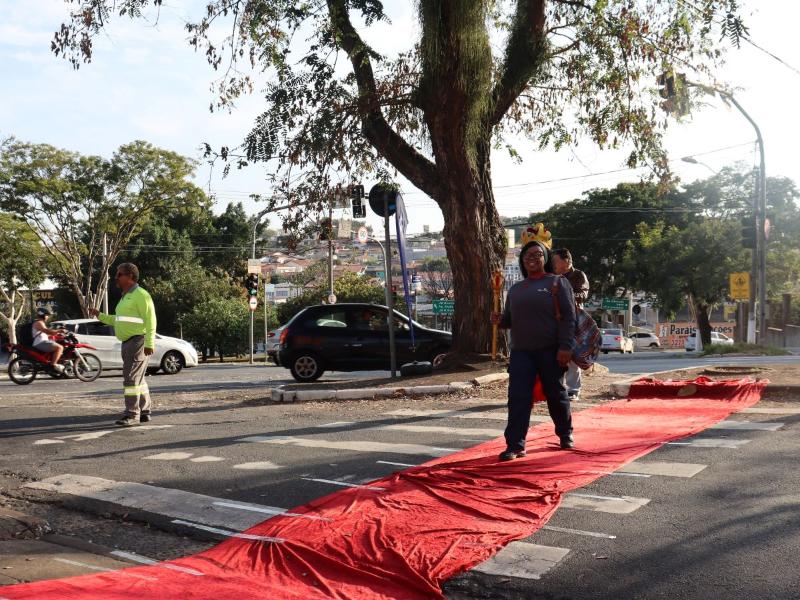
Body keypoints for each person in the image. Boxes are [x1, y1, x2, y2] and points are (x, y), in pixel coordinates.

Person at [492, 239, 577, 458]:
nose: (532, 258)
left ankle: (565, 433)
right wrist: (499, 320)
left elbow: (569, 318)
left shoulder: (557, 283)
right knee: (518, 397)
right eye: (527, 255)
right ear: (522, 260)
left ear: (545, 258)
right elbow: (510, 320)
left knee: (556, 394)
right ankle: (515, 445)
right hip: (521, 352)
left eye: (537, 254)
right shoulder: (516, 289)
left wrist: (566, 347)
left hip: (551, 349)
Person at [88, 263, 156, 426]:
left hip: (137, 341)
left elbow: (151, 319)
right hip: (128, 343)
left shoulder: (141, 294)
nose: (116, 277)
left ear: (130, 276)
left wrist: (149, 343)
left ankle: (132, 415)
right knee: (138, 378)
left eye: (119, 274)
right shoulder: (125, 297)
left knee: (131, 378)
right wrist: (100, 316)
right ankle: (145, 410)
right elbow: (117, 320)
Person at [551, 248, 590, 400]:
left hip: (574, 320)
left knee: (572, 354)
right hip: (555, 321)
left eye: (556, 260)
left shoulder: (578, 275)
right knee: (555, 353)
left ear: (566, 261)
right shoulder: (553, 277)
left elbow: (583, 294)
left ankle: (573, 389)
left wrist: (565, 295)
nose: (554, 263)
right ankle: (558, 387)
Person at [31, 307, 66, 373]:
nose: (48, 317)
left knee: (58, 345)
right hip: (40, 343)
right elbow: (48, 331)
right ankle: (53, 365)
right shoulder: (39, 323)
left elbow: (46, 334)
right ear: (43, 315)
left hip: (42, 342)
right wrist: (59, 330)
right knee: (60, 347)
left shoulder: (40, 323)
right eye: (47, 315)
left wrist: (57, 335)